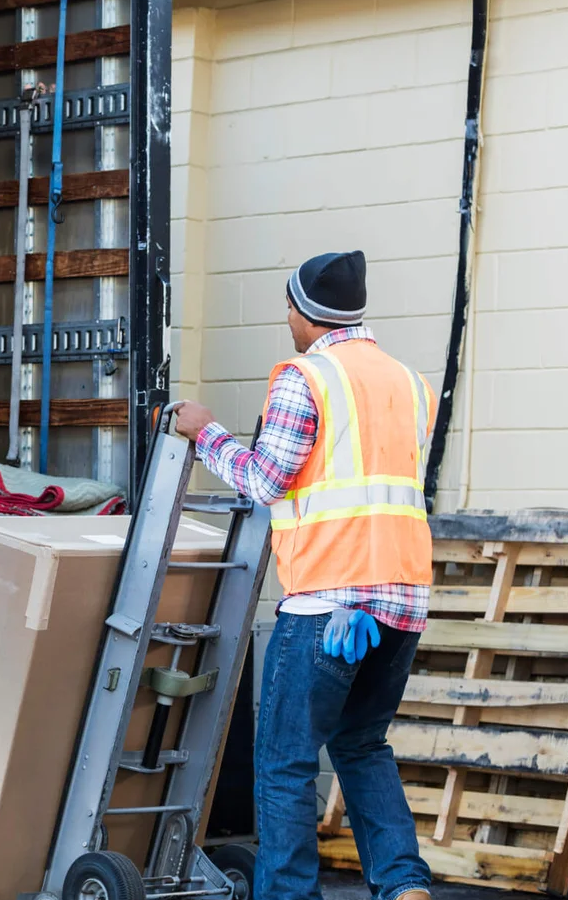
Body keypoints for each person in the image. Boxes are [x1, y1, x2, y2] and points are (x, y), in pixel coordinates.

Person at [172, 250, 435, 900]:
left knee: (285, 764)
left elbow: (265, 480)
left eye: (288, 306)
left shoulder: (306, 377)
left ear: (308, 314)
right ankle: (403, 885)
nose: (286, 318)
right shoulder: (407, 381)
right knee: (362, 744)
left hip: (327, 602)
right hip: (400, 599)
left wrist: (207, 435)